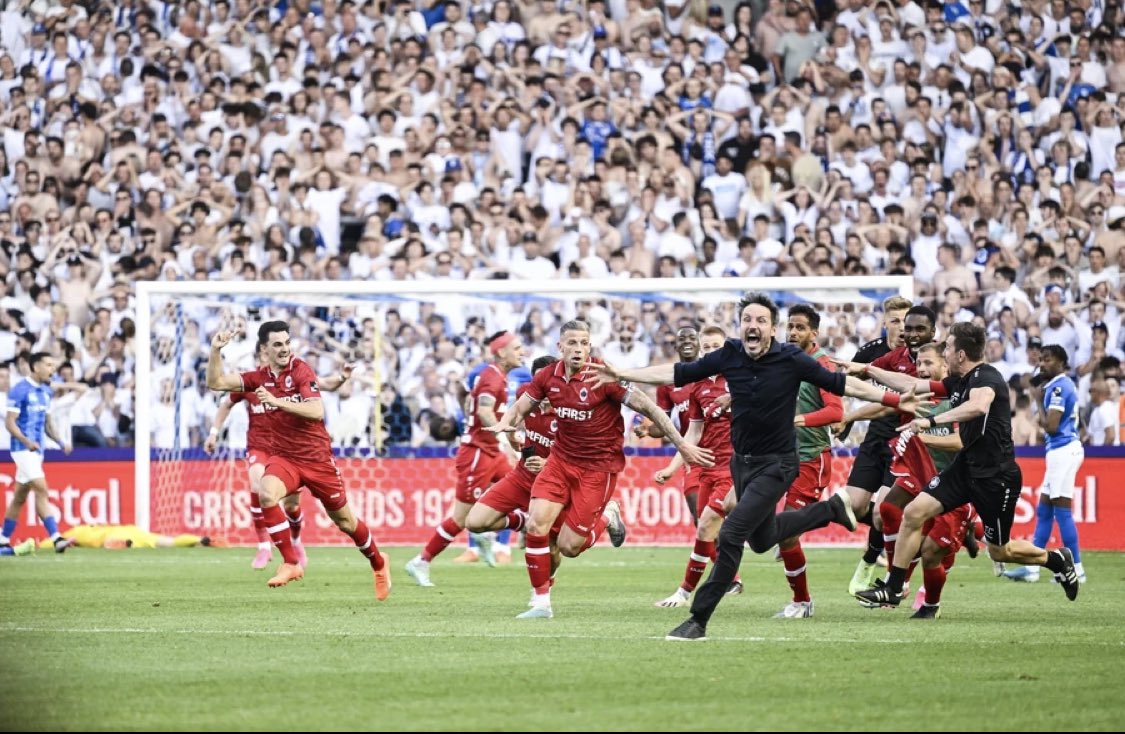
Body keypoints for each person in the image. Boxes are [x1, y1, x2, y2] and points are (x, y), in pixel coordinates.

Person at [588, 293, 923, 641]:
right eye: (747, 319)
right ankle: (831, 509)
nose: (753, 325)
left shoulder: (790, 358)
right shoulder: (731, 354)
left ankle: (698, 620)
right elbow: (676, 373)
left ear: (772, 329)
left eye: (761, 320)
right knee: (762, 540)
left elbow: (843, 384)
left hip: (778, 463)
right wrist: (623, 372)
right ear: (741, 326)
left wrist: (894, 399)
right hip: (741, 464)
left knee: (731, 533)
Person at [487, 319, 714, 619]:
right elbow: (521, 407)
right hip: (560, 462)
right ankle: (541, 603)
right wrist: (507, 422)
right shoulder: (546, 376)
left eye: (584, 343)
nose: (578, 349)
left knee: (568, 546)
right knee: (535, 527)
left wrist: (681, 445)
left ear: (590, 346)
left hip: (598, 469)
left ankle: (608, 515)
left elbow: (651, 408)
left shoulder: (604, 376)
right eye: (572, 343)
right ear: (560, 347)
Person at [853, 323, 1081, 610]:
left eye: (947, 347)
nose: (944, 351)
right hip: (965, 469)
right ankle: (893, 588)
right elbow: (912, 385)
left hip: (995, 477)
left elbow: (978, 406)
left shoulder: (987, 378)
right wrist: (866, 370)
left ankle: (1056, 559)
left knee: (1001, 551)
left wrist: (932, 421)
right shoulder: (960, 381)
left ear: (960, 354)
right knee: (913, 513)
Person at [206, 320, 392, 600]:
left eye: (287, 343)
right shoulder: (258, 378)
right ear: (265, 350)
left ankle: (378, 562)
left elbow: (316, 410)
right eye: (277, 344)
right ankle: (291, 562)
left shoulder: (300, 369)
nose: (284, 349)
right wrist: (215, 351)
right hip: (285, 458)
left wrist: (276, 401)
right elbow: (216, 383)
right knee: (266, 494)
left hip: (317, 460)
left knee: (345, 522)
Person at [204, 341, 352, 570]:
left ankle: (296, 540)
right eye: (265, 354)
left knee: (292, 505)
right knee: (257, 484)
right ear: (262, 355)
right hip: (259, 445)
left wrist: (342, 378)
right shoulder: (253, 381)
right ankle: (264, 546)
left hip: (287, 449)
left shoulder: (292, 378)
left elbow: (323, 385)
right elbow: (225, 403)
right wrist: (214, 433)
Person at [405, 331, 524, 587]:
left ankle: (488, 536)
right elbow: (483, 410)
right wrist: (505, 438)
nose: (522, 351)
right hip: (477, 454)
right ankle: (421, 562)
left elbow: (468, 396)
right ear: (501, 352)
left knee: (521, 488)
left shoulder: (496, 376)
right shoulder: (492, 377)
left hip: (492, 451)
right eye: (517, 347)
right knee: (461, 518)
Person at [836, 304, 937, 593]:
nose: (908, 332)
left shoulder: (932, 360)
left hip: (912, 440)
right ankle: (896, 569)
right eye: (901, 323)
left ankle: (883, 569)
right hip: (880, 435)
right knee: (856, 506)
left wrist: (850, 416)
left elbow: (901, 397)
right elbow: (853, 381)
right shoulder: (883, 356)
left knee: (885, 511)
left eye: (918, 328)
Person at [652, 325, 740, 608]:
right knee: (704, 528)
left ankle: (685, 592)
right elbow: (693, 434)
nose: (712, 351)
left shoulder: (739, 379)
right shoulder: (698, 386)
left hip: (734, 467)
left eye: (717, 346)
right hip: (706, 467)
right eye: (708, 347)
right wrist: (672, 467)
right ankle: (724, 579)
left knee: (706, 526)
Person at [464, 356, 559, 591]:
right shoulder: (526, 395)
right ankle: (523, 521)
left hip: (555, 482)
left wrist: (547, 462)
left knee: (559, 548)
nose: (542, 387)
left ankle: (542, 593)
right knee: (474, 522)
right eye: (538, 381)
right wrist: (511, 438)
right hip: (522, 477)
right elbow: (514, 417)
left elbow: (576, 452)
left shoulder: (568, 409)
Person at [773, 304, 843, 619]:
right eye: (790, 326)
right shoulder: (783, 360)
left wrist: (799, 420)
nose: (793, 332)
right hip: (779, 456)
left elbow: (835, 411)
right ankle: (838, 511)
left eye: (800, 327)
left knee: (787, 533)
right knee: (736, 504)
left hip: (810, 458)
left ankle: (802, 602)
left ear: (813, 333)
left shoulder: (822, 365)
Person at [1003, 345, 1086, 583]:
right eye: (1040, 360)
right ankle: (1032, 568)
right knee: (1044, 509)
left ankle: (1077, 568)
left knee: (1062, 509)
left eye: (1047, 360)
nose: (1042, 364)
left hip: (1064, 451)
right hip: (1059, 451)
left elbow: (1050, 426)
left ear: (1061, 362)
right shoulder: (1057, 385)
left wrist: (1038, 401)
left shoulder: (1059, 387)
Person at [2, 352, 74, 554]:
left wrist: (61, 441)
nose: (52, 369)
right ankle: (56, 538)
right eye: (48, 365)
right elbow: (10, 423)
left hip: (36, 451)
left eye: (53, 365)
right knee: (42, 489)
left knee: (19, 497)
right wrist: (26, 441)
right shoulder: (20, 390)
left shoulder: (46, 391)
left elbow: (47, 424)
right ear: (36, 367)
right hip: (21, 449)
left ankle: (2, 539)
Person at [638, 326, 703, 523]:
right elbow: (662, 425)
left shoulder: (712, 371)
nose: (687, 342)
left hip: (722, 448)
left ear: (699, 344)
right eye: (682, 339)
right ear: (675, 346)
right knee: (697, 510)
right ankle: (716, 552)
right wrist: (648, 430)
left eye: (692, 337)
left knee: (724, 512)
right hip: (692, 451)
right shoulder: (668, 382)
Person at [56, 524, 224, 549]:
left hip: (113, 535)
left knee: (105, 542)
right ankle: (199, 540)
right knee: (169, 541)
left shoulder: (77, 532)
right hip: (135, 530)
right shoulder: (101, 526)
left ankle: (122, 544)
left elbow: (51, 542)